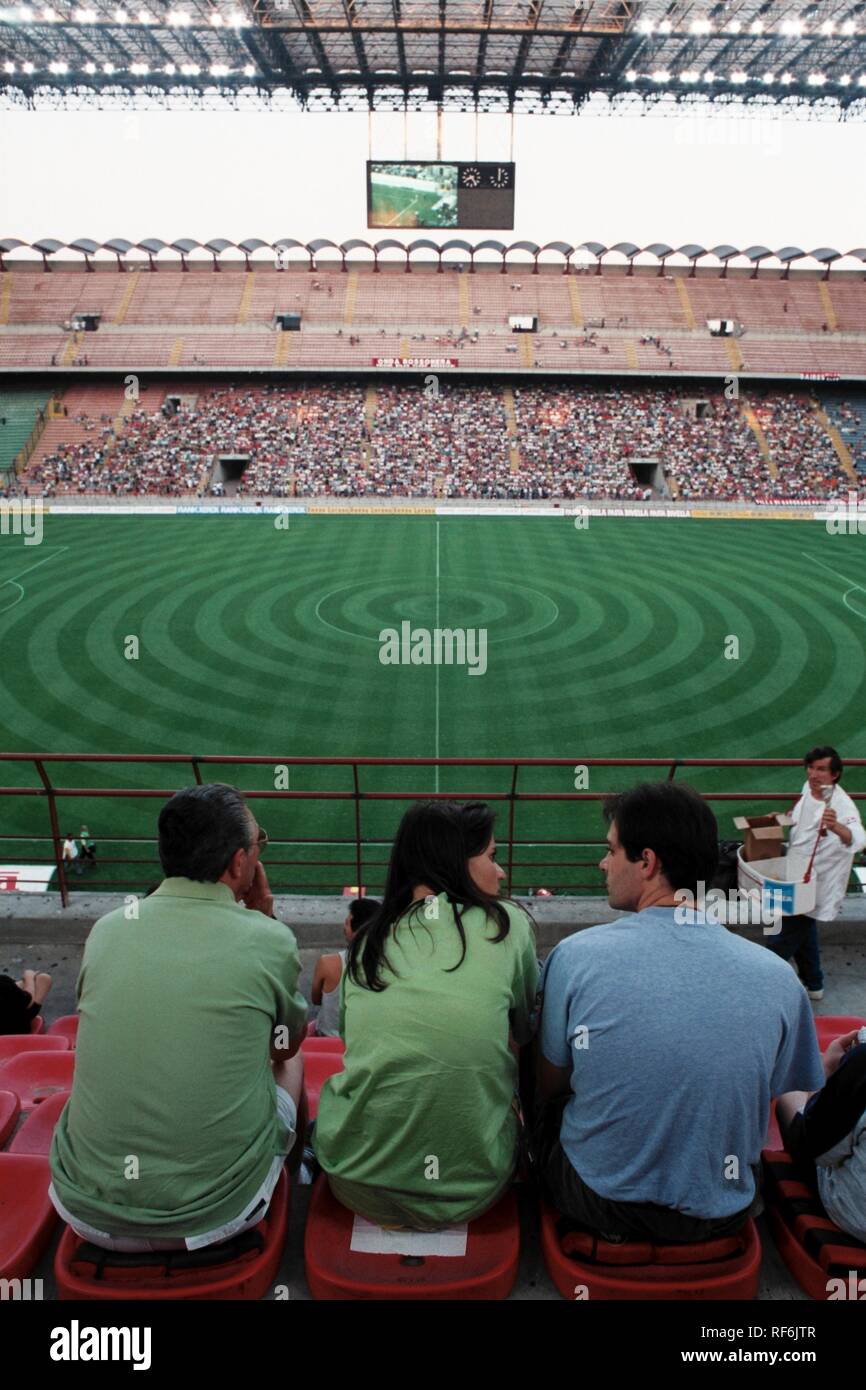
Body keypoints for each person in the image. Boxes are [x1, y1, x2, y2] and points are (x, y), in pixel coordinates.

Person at [534, 782, 825, 1243]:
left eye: (612, 851)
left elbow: (548, 1087)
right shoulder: (778, 978)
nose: (603, 864)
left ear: (647, 863)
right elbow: (782, 1093)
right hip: (722, 1211)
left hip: (597, 1201)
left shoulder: (574, 956)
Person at [50, 783, 308, 1252]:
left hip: (85, 1209)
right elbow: (284, 1046)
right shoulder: (268, 940)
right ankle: (299, 1169)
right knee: (291, 1063)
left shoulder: (106, 931)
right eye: (257, 845)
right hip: (220, 1214)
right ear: (237, 862)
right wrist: (264, 921)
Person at [314, 800, 539, 1230]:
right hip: (473, 1190)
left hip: (355, 1183)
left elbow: (358, 1046)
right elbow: (525, 1031)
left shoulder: (365, 945)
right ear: (457, 862)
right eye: (492, 857)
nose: (501, 871)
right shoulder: (507, 924)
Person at [766, 746, 866, 1000]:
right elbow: (801, 819)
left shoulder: (842, 807)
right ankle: (814, 984)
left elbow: (857, 838)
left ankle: (761, 983)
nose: (813, 774)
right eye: (810, 767)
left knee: (778, 943)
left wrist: (836, 826)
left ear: (835, 774)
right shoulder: (809, 789)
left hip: (813, 884)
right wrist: (783, 817)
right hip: (796, 875)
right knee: (803, 928)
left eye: (821, 769)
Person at [777, 1027, 866, 1243]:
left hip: (856, 1216)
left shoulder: (862, 1062)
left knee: (789, 1094)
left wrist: (826, 1072)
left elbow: (815, 1149)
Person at [311, 896, 380, 1038]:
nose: (344, 926)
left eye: (347, 922)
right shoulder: (392, 964)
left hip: (327, 1036)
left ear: (354, 930)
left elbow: (316, 1000)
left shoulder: (327, 963)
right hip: (367, 1040)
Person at [0, 969, 52, 1034]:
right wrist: (29, 977)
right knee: (44, 979)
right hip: (15, 1030)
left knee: (18, 985)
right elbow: (28, 1000)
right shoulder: (3, 982)